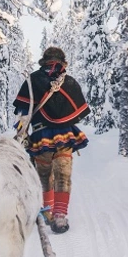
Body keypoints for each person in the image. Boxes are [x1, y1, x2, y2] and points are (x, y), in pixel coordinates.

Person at [12, 47, 91, 234]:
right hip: (65, 136)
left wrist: (21, 133)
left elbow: (22, 112)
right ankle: (60, 216)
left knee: (44, 176)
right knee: (63, 176)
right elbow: (77, 114)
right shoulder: (69, 82)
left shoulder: (33, 80)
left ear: (44, 61)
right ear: (63, 62)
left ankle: (47, 211)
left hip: (41, 136)